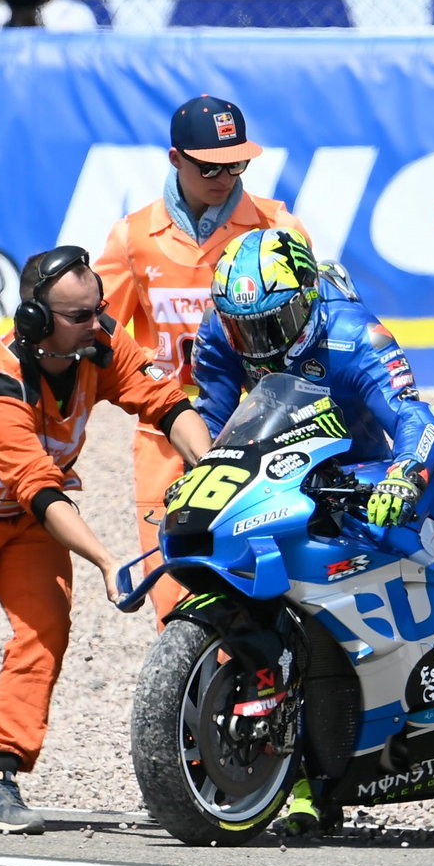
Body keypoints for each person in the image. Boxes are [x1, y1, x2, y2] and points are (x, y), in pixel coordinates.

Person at [0, 245, 211, 834]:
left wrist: (215, 467)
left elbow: (168, 405)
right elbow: (39, 487)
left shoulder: (100, 343)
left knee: (43, 631)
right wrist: (104, 558)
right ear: (36, 322)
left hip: (28, 525)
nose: (97, 324)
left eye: (99, 309)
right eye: (79, 316)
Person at [190, 225, 434, 833]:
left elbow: (420, 414)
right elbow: (210, 418)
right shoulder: (219, 329)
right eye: (241, 327)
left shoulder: (355, 334)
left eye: (271, 326)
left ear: (307, 299)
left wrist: (403, 472)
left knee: (359, 602)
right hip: (274, 476)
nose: (255, 343)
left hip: (357, 479)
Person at [93, 93, 309, 627]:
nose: (226, 176)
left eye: (237, 163)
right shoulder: (133, 238)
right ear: (175, 159)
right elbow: (99, 332)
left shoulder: (277, 228)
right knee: (178, 596)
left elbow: (315, 330)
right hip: (166, 437)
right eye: (209, 165)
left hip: (265, 429)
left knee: (272, 585)